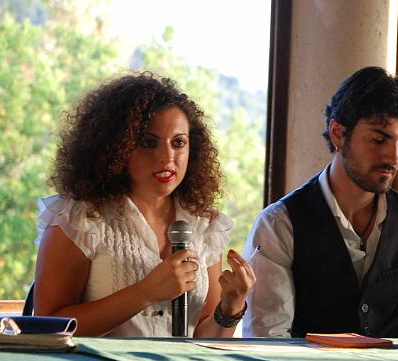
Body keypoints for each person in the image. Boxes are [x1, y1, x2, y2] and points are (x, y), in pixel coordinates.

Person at [242, 66, 398, 338]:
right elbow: (268, 341)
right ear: (338, 133)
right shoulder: (279, 225)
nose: (392, 158)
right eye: (378, 140)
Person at [34, 73, 256, 337]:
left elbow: (203, 340)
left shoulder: (205, 224)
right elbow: (46, 327)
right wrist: (145, 293)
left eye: (178, 143)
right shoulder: (79, 219)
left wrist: (230, 308)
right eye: (149, 143)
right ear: (117, 147)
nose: (167, 157)